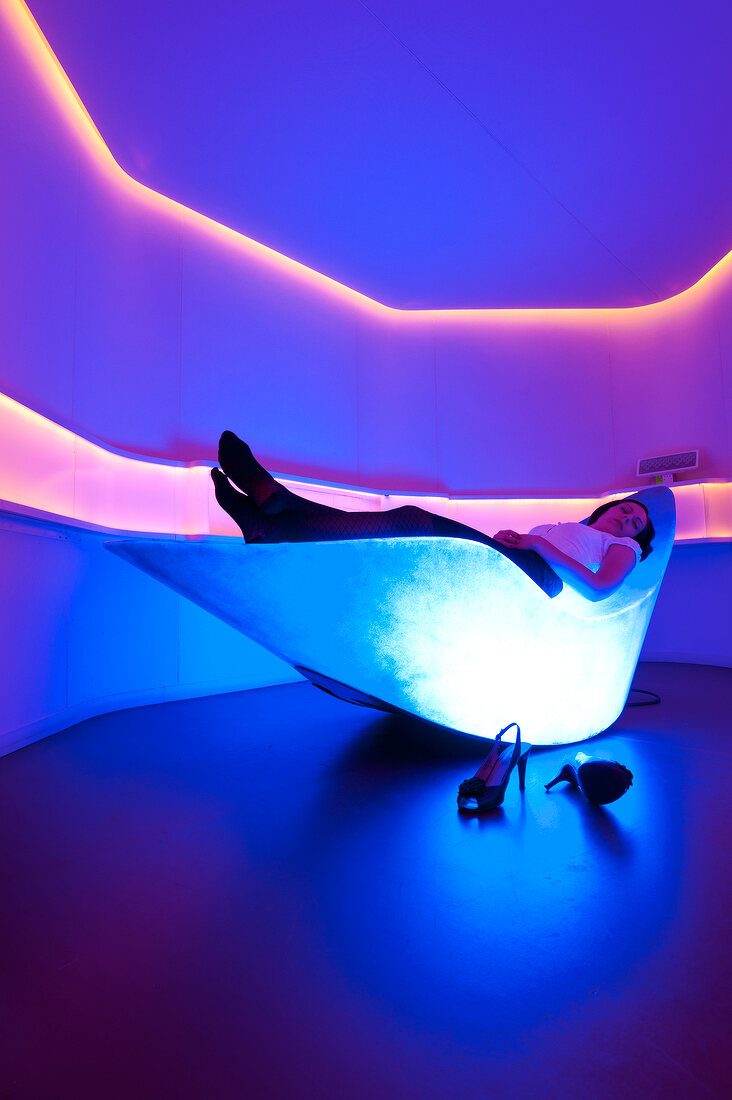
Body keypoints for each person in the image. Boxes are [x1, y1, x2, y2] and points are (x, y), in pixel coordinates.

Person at [211, 431, 654, 602]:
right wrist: (521, 539)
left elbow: (597, 589)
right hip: (519, 564)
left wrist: (535, 543)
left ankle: (276, 512)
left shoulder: (623, 548)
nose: (628, 520)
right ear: (610, 507)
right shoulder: (571, 526)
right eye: (627, 510)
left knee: (411, 521)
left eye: (637, 523)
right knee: (408, 530)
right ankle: (273, 516)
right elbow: (543, 546)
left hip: (539, 580)